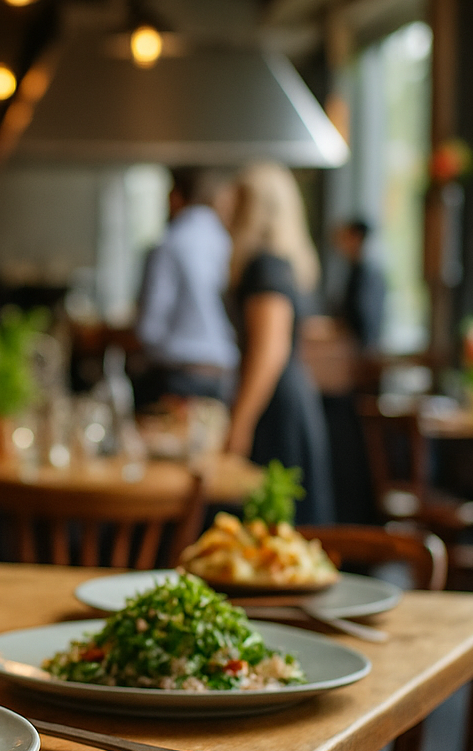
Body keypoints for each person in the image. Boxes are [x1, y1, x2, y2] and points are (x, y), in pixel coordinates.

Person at [223, 162, 335, 525]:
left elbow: (269, 352)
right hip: (287, 396)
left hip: (275, 403)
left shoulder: (265, 266)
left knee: (272, 522)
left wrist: (239, 424)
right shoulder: (283, 263)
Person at [134, 167, 240, 403]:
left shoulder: (169, 244)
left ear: (175, 197)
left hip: (179, 377)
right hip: (224, 376)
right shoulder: (228, 242)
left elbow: (150, 324)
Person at [333, 218, 387, 353]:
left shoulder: (366, 274)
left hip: (359, 351)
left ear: (356, 238)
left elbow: (363, 314)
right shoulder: (357, 270)